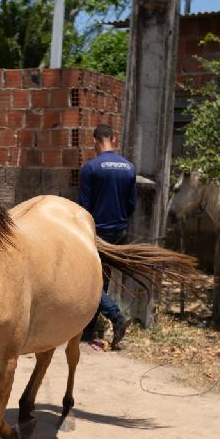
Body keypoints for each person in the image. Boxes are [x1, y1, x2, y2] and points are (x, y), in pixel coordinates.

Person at [77, 123, 136, 349]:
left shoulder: (91, 168)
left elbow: (84, 207)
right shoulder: (129, 168)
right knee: (102, 281)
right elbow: (131, 205)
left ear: (95, 141)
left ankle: (116, 316)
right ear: (114, 139)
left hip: (97, 233)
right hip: (120, 232)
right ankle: (88, 330)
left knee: (89, 282)